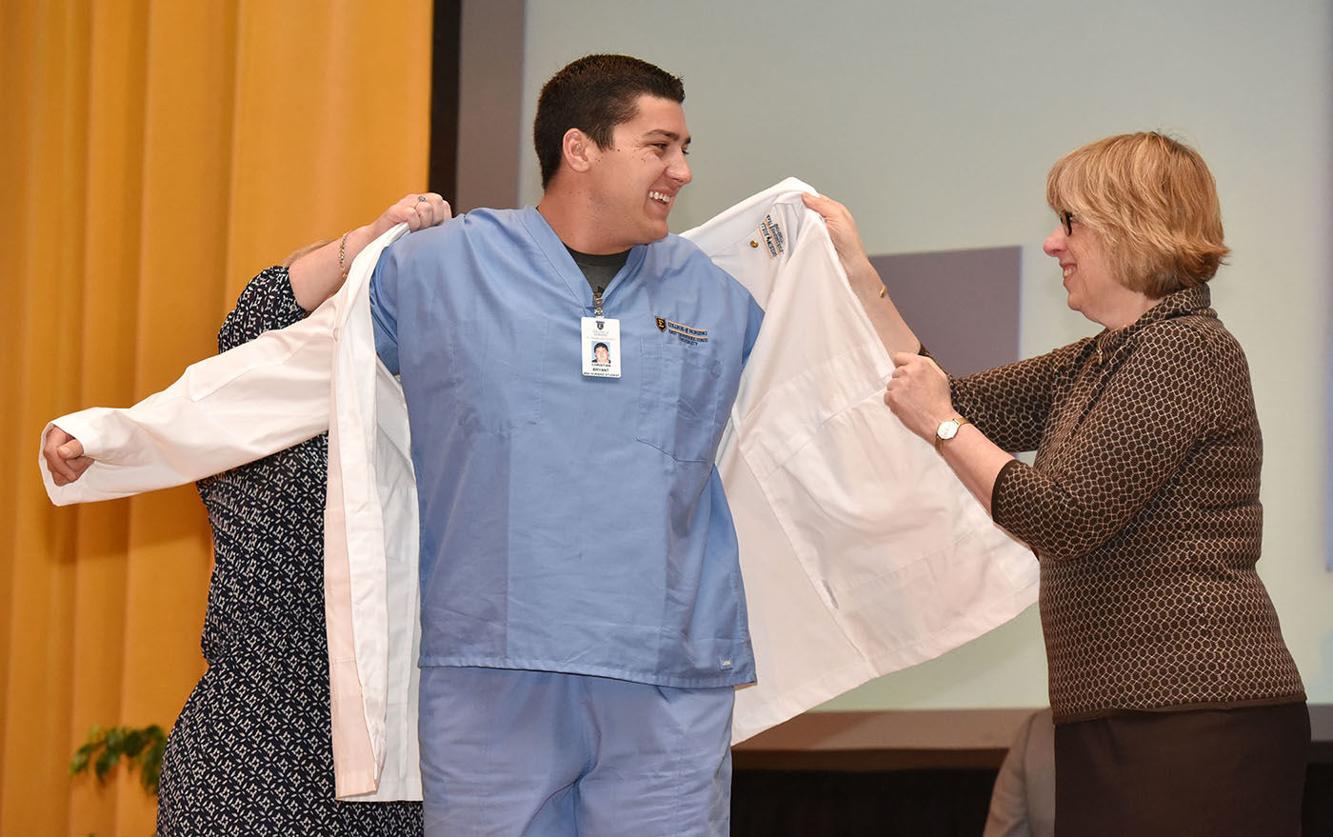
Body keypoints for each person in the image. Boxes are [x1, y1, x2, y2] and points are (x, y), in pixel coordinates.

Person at [805, 131, 1308, 836]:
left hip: (1194, 716)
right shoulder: (1102, 357)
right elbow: (947, 398)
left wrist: (942, 425)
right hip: (1119, 713)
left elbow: (1060, 515)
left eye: (1070, 222)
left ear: (1131, 226)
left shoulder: (1185, 347)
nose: (1052, 243)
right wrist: (859, 273)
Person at [45, 193, 447, 834]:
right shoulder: (243, 409)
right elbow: (264, 314)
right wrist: (373, 238)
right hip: (251, 752)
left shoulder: (413, 417)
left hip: (386, 766)